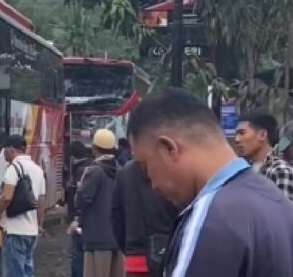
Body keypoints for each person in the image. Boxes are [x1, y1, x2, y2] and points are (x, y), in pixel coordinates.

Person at [129, 88, 293, 277]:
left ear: (169, 148)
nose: (153, 184)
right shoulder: (277, 202)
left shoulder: (209, 218)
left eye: (146, 168)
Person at [111, 159, 178, 277]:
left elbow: (116, 216)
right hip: (166, 253)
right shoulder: (168, 168)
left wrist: (127, 247)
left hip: (135, 256)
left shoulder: (125, 172)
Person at [0, 135, 46, 277]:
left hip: (15, 230)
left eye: (4, 150)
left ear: (11, 149)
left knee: (14, 272)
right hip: (31, 231)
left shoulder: (13, 169)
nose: (3, 154)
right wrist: (39, 224)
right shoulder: (38, 169)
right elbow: (41, 201)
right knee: (27, 271)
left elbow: (6, 198)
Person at [73, 129, 124, 277]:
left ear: (94, 149)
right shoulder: (121, 170)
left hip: (96, 238)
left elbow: (81, 200)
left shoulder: (94, 171)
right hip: (117, 239)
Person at [235, 110, 293, 200]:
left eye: (242, 133)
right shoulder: (243, 171)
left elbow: (283, 212)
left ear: (262, 135)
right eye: (236, 134)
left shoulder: (279, 171)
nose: (237, 139)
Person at [65, 141, 93, 277]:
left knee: (78, 256)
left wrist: (76, 219)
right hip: (88, 222)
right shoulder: (90, 167)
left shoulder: (80, 171)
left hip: (79, 222)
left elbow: (80, 199)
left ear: (72, 157)